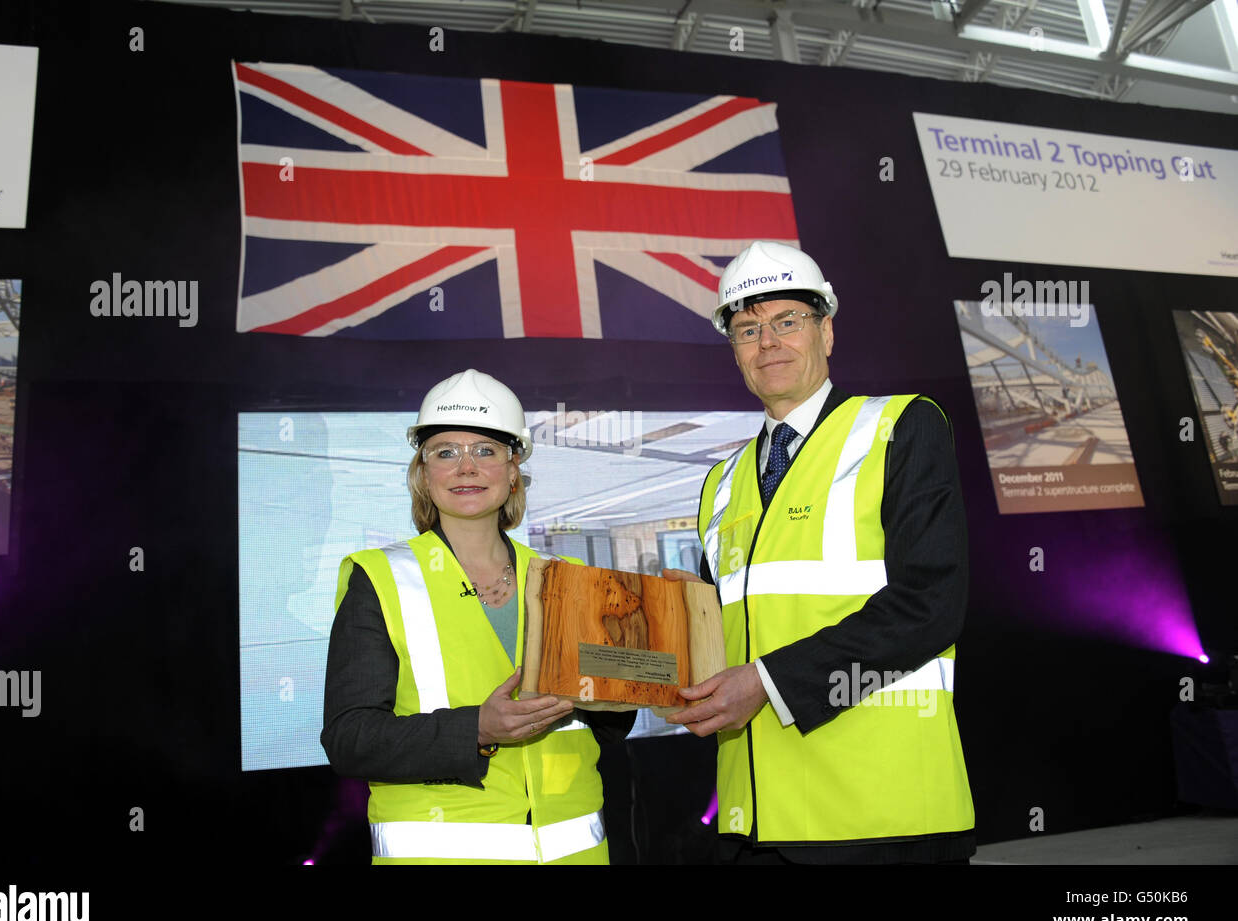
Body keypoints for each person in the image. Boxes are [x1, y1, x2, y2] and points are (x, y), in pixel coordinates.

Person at [664, 241, 974, 864]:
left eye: (787, 322)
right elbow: (726, 640)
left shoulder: (898, 427)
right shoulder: (719, 484)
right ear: (734, 352)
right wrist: (669, 622)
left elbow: (929, 604)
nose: (767, 343)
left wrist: (770, 682)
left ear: (826, 331)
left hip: (883, 813)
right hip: (754, 818)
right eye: (748, 329)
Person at [322, 368, 630, 864]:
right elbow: (350, 739)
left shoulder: (568, 579)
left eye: (485, 451)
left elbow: (612, 722)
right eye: (446, 452)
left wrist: (649, 651)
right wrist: (479, 729)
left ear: (513, 471)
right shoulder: (379, 579)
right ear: (424, 474)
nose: (467, 468)